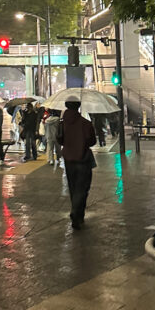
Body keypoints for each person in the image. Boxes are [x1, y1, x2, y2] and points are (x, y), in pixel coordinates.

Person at [57, 96, 97, 229]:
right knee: (83, 188)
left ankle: (78, 216)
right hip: (83, 159)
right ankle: (77, 213)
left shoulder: (62, 123)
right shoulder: (85, 123)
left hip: (68, 160)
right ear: (78, 106)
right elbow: (92, 141)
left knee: (73, 187)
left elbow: (60, 140)